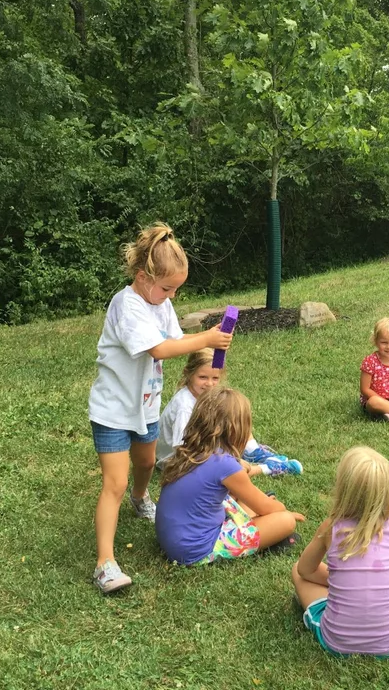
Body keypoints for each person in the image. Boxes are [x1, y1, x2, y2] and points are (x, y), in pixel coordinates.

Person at [88, 223, 233, 594]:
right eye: (167, 288)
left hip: (145, 407)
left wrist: (207, 343)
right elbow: (158, 349)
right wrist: (207, 336)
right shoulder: (127, 305)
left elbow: (176, 339)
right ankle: (105, 563)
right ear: (142, 277)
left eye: (176, 290)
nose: (171, 295)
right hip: (113, 410)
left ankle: (140, 498)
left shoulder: (160, 303)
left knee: (147, 463)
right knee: (114, 483)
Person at [292, 446, 389, 657]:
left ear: (343, 489)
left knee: (296, 571)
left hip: (336, 642)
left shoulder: (331, 527)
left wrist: (339, 580)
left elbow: (305, 570)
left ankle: (349, 591)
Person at [155, 386, 304, 566]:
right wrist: (281, 510)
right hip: (197, 550)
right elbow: (270, 509)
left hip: (174, 541)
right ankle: (263, 531)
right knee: (285, 521)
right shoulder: (225, 465)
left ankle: (254, 518)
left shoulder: (189, 450)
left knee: (237, 499)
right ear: (236, 429)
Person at [156, 348, 303, 476]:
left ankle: (253, 451)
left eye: (215, 378)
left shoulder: (204, 394)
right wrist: (229, 459)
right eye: (202, 377)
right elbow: (183, 449)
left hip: (200, 449)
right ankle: (266, 468)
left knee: (232, 407)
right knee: (230, 471)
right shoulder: (184, 406)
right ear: (188, 374)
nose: (209, 384)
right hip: (181, 461)